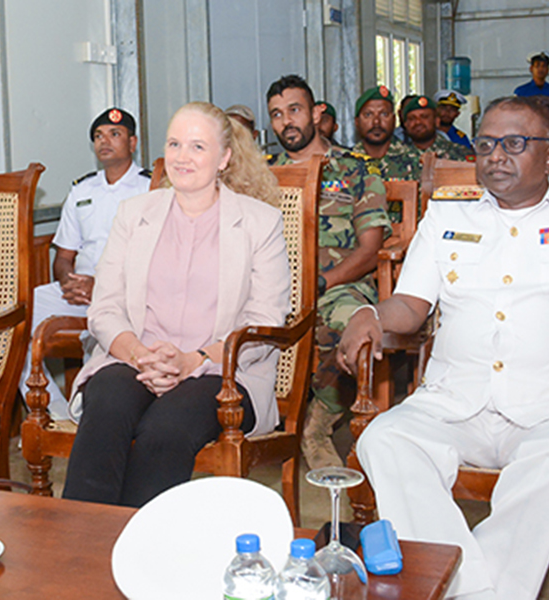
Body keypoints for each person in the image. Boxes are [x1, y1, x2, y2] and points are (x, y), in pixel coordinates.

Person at [338, 96, 549, 600]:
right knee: (384, 439)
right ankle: (476, 588)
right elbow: (410, 307)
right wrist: (371, 313)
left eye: (514, 144)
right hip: (452, 402)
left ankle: (459, 588)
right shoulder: (445, 217)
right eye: (485, 144)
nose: (496, 156)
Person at [61, 102, 290, 508]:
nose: (182, 157)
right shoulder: (134, 214)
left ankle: (141, 552)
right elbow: (105, 307)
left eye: (198, 147)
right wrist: (139, 354)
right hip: (136, 358)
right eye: (174, 144)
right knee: (108, 405)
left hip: (221, 371)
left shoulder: (260, 222)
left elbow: (264, 324)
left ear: (224, 158)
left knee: (166, 429)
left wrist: (191, 361)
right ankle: (83, 547)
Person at [265, 74, 391, 470]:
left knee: (352, 329)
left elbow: (370, 250)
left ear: (317, 113)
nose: (287, 121)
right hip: (274, 285)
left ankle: (317, 425)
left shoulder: (355, 170)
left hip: (337, 286)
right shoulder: (264, 176)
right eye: (277, 115)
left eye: (295, 110)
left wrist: (320, 283)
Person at [18, 108, 150, 418]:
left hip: (129, 293)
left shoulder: (151, 188)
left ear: (132, 143)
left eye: (114, 134)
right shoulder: (82, 190)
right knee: (16, 318)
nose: (105, 142)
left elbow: (155, 260)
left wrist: (101, 287)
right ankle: (57, 414)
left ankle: (103, 413)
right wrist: (69, 282)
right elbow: (64, 257)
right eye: (98, 136)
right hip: (81, 292)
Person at [350, 85, 422, 223]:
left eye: (384, 114)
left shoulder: (415, 161)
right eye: (368, 115)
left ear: (394, 120)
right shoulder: (344, 165)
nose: (376, 122)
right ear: (357, 122)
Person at [402, 95, 474, 161]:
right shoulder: (394, 155)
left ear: (437, 121)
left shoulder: (459, 153)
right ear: (405, 124)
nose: (418, 122)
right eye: (412, 118)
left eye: (424, 117)